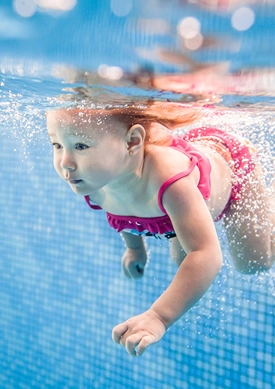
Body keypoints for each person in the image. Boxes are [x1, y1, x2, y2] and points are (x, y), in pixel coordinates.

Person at [46, 100, 275, 357]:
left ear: (132, 142)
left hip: (232, 165)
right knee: (182, 260)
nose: (65, 162)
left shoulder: (169, 181)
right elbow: (125, 213)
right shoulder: (95, 182)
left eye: (80, 146)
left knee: (253, 262)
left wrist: (158, 317)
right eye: (57, 145)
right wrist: (135, 250)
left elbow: (207, 255)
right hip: (188, 177)